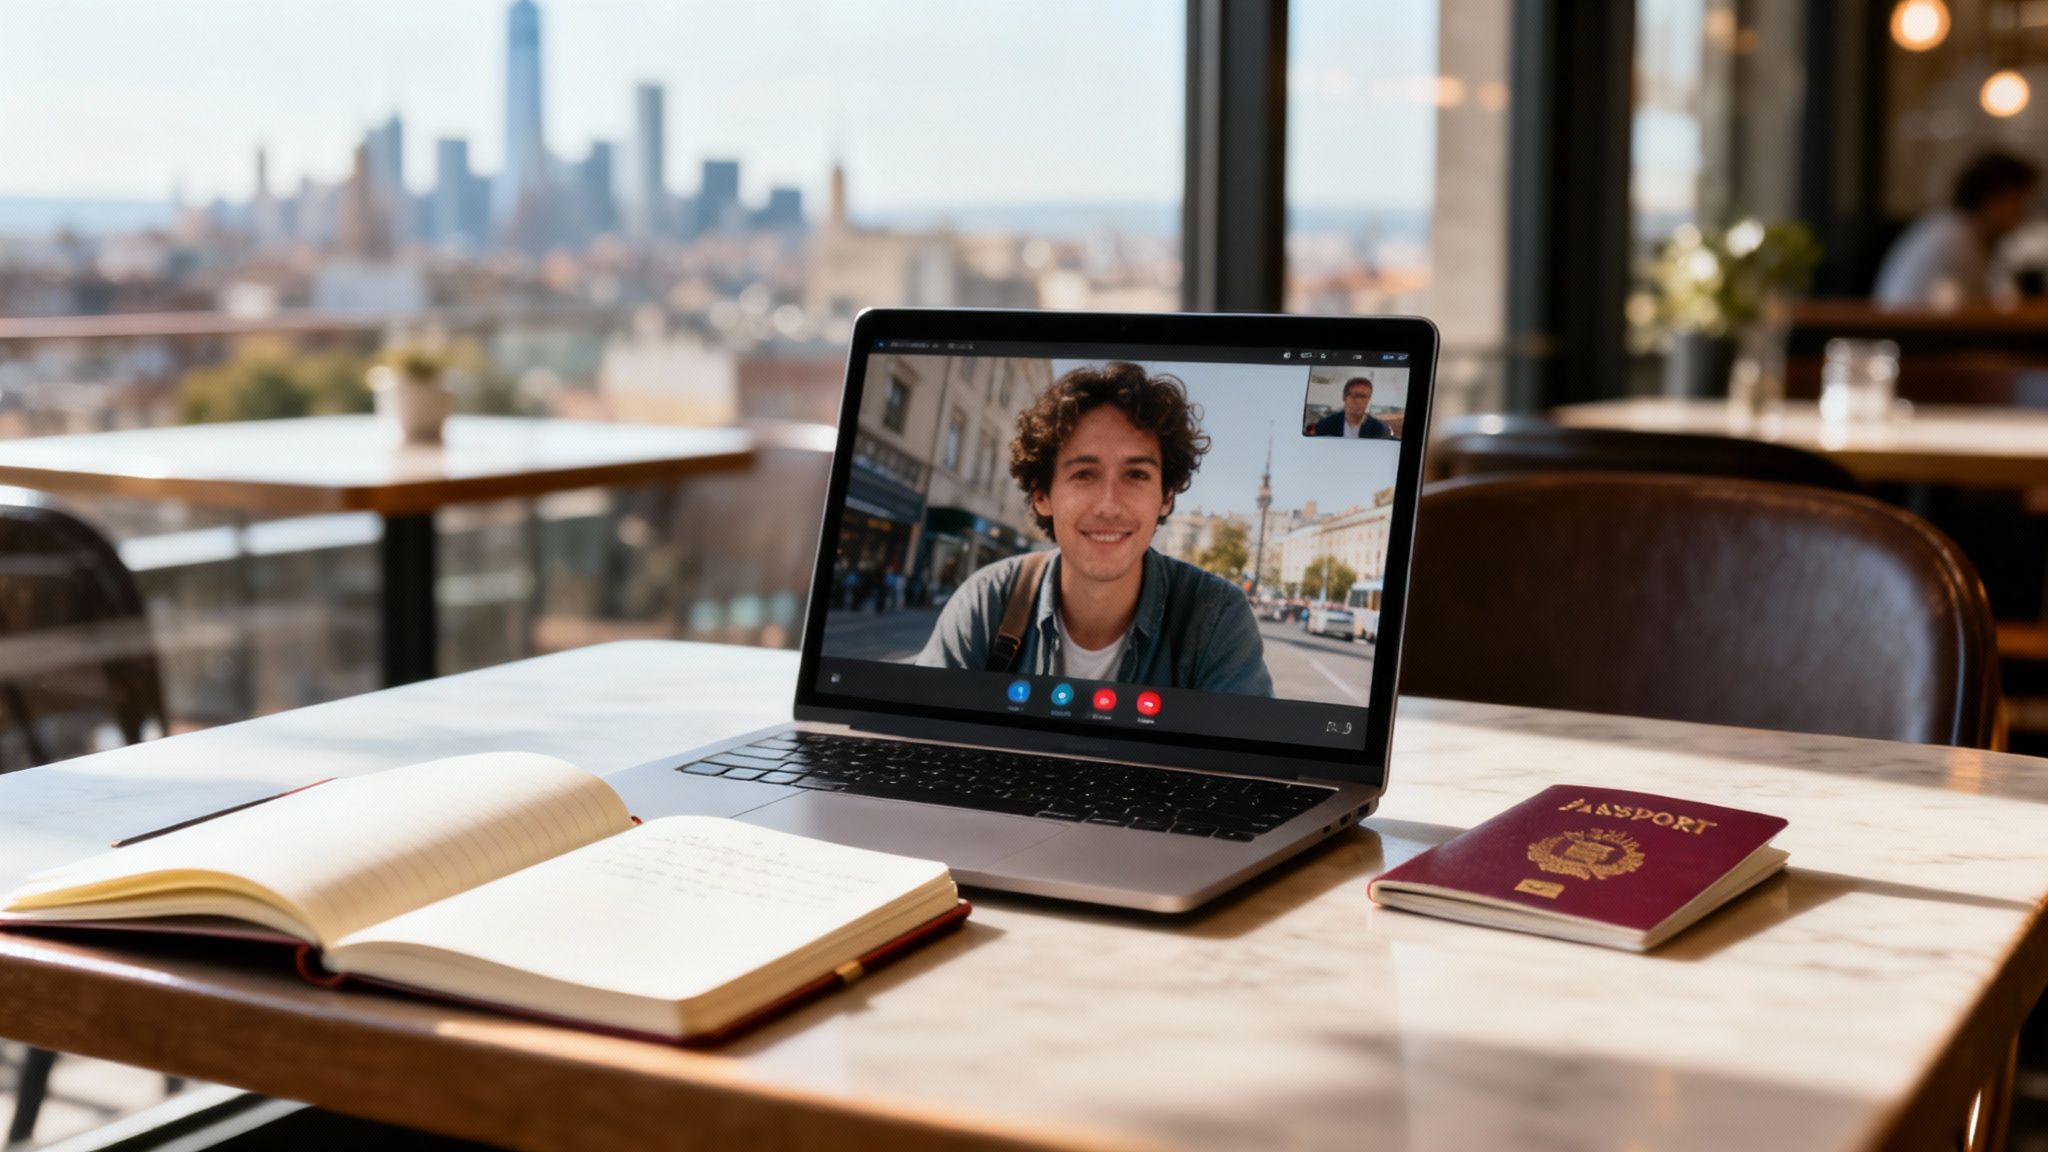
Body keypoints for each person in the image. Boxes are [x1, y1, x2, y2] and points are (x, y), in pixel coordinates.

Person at [914, 362, 1274, 695]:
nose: (1109, 505)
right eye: (1084, 474)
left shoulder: (1216, 619)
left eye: (1136, 475)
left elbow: (1242, 762)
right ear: (1042, 495)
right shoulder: (986, 602)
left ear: (1166, 496)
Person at [1874, 151, 2040, 310]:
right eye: (2019, 201)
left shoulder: (1952, 226)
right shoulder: (1956, 236)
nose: (2023, 213)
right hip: (1907, 333)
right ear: (1995, 198)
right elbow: (1972, 306)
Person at [1308, 377, 1395, 439]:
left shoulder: (1379, 429)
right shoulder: (1325, 426)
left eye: (1363, 396)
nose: (1358, 401)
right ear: (1344, 397)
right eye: (1354, 395)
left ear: (1369, 399)